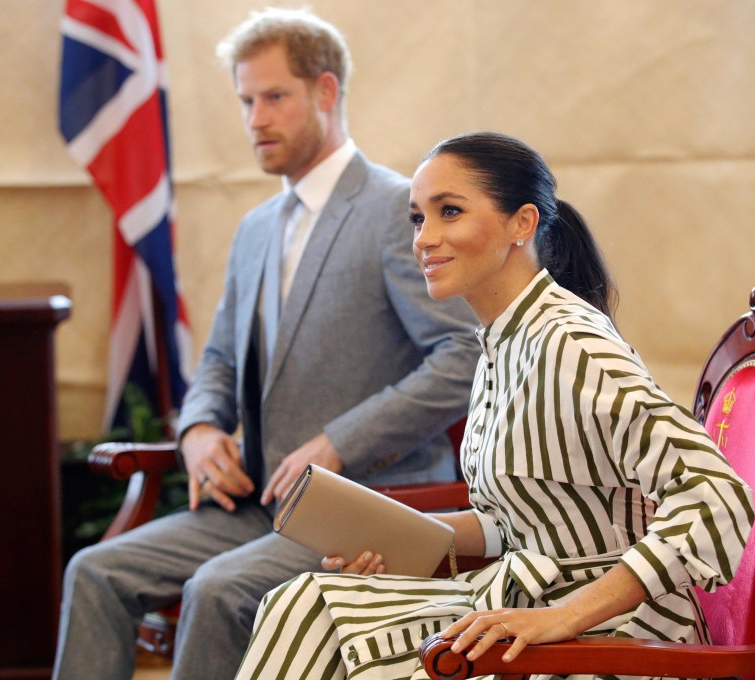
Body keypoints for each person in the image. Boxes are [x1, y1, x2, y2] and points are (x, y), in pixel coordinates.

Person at [52, 9, 480, 679]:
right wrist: (196, 430)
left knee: (217, 589)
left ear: (326, 92)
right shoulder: (256, 228)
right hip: (256, 506)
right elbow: (219, 360)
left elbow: (463, 354)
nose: (255, 118)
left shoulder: (397, 211)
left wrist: (340, 440)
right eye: (246, 100)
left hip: (368, 506)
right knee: (94, 571)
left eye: (274, 97)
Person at [233, 131, 755, 679]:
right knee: (307, 602)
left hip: (616, 633)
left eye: (449, 212)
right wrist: (393, 535)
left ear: (522, 224)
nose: (425, 239)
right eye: (417, 219)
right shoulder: (500, 343)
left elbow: (716, 495)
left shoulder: (572, 345)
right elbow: (515, 522)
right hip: (522, 598)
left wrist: (565, 616)